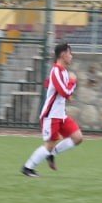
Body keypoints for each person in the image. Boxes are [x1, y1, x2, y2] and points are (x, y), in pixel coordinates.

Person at [21, 41, 83, 178]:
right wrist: (72, 82)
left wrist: (66, 90)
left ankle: (52, 154)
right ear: (63, 54)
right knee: (49, 144)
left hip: (61, 115)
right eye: (70, 53)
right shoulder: (56, 71)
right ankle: (28, 168)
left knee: (78, 137)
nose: (71, 56)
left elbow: (60, 90)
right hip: (51, 115)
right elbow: (65, 92)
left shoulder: (64, 72)